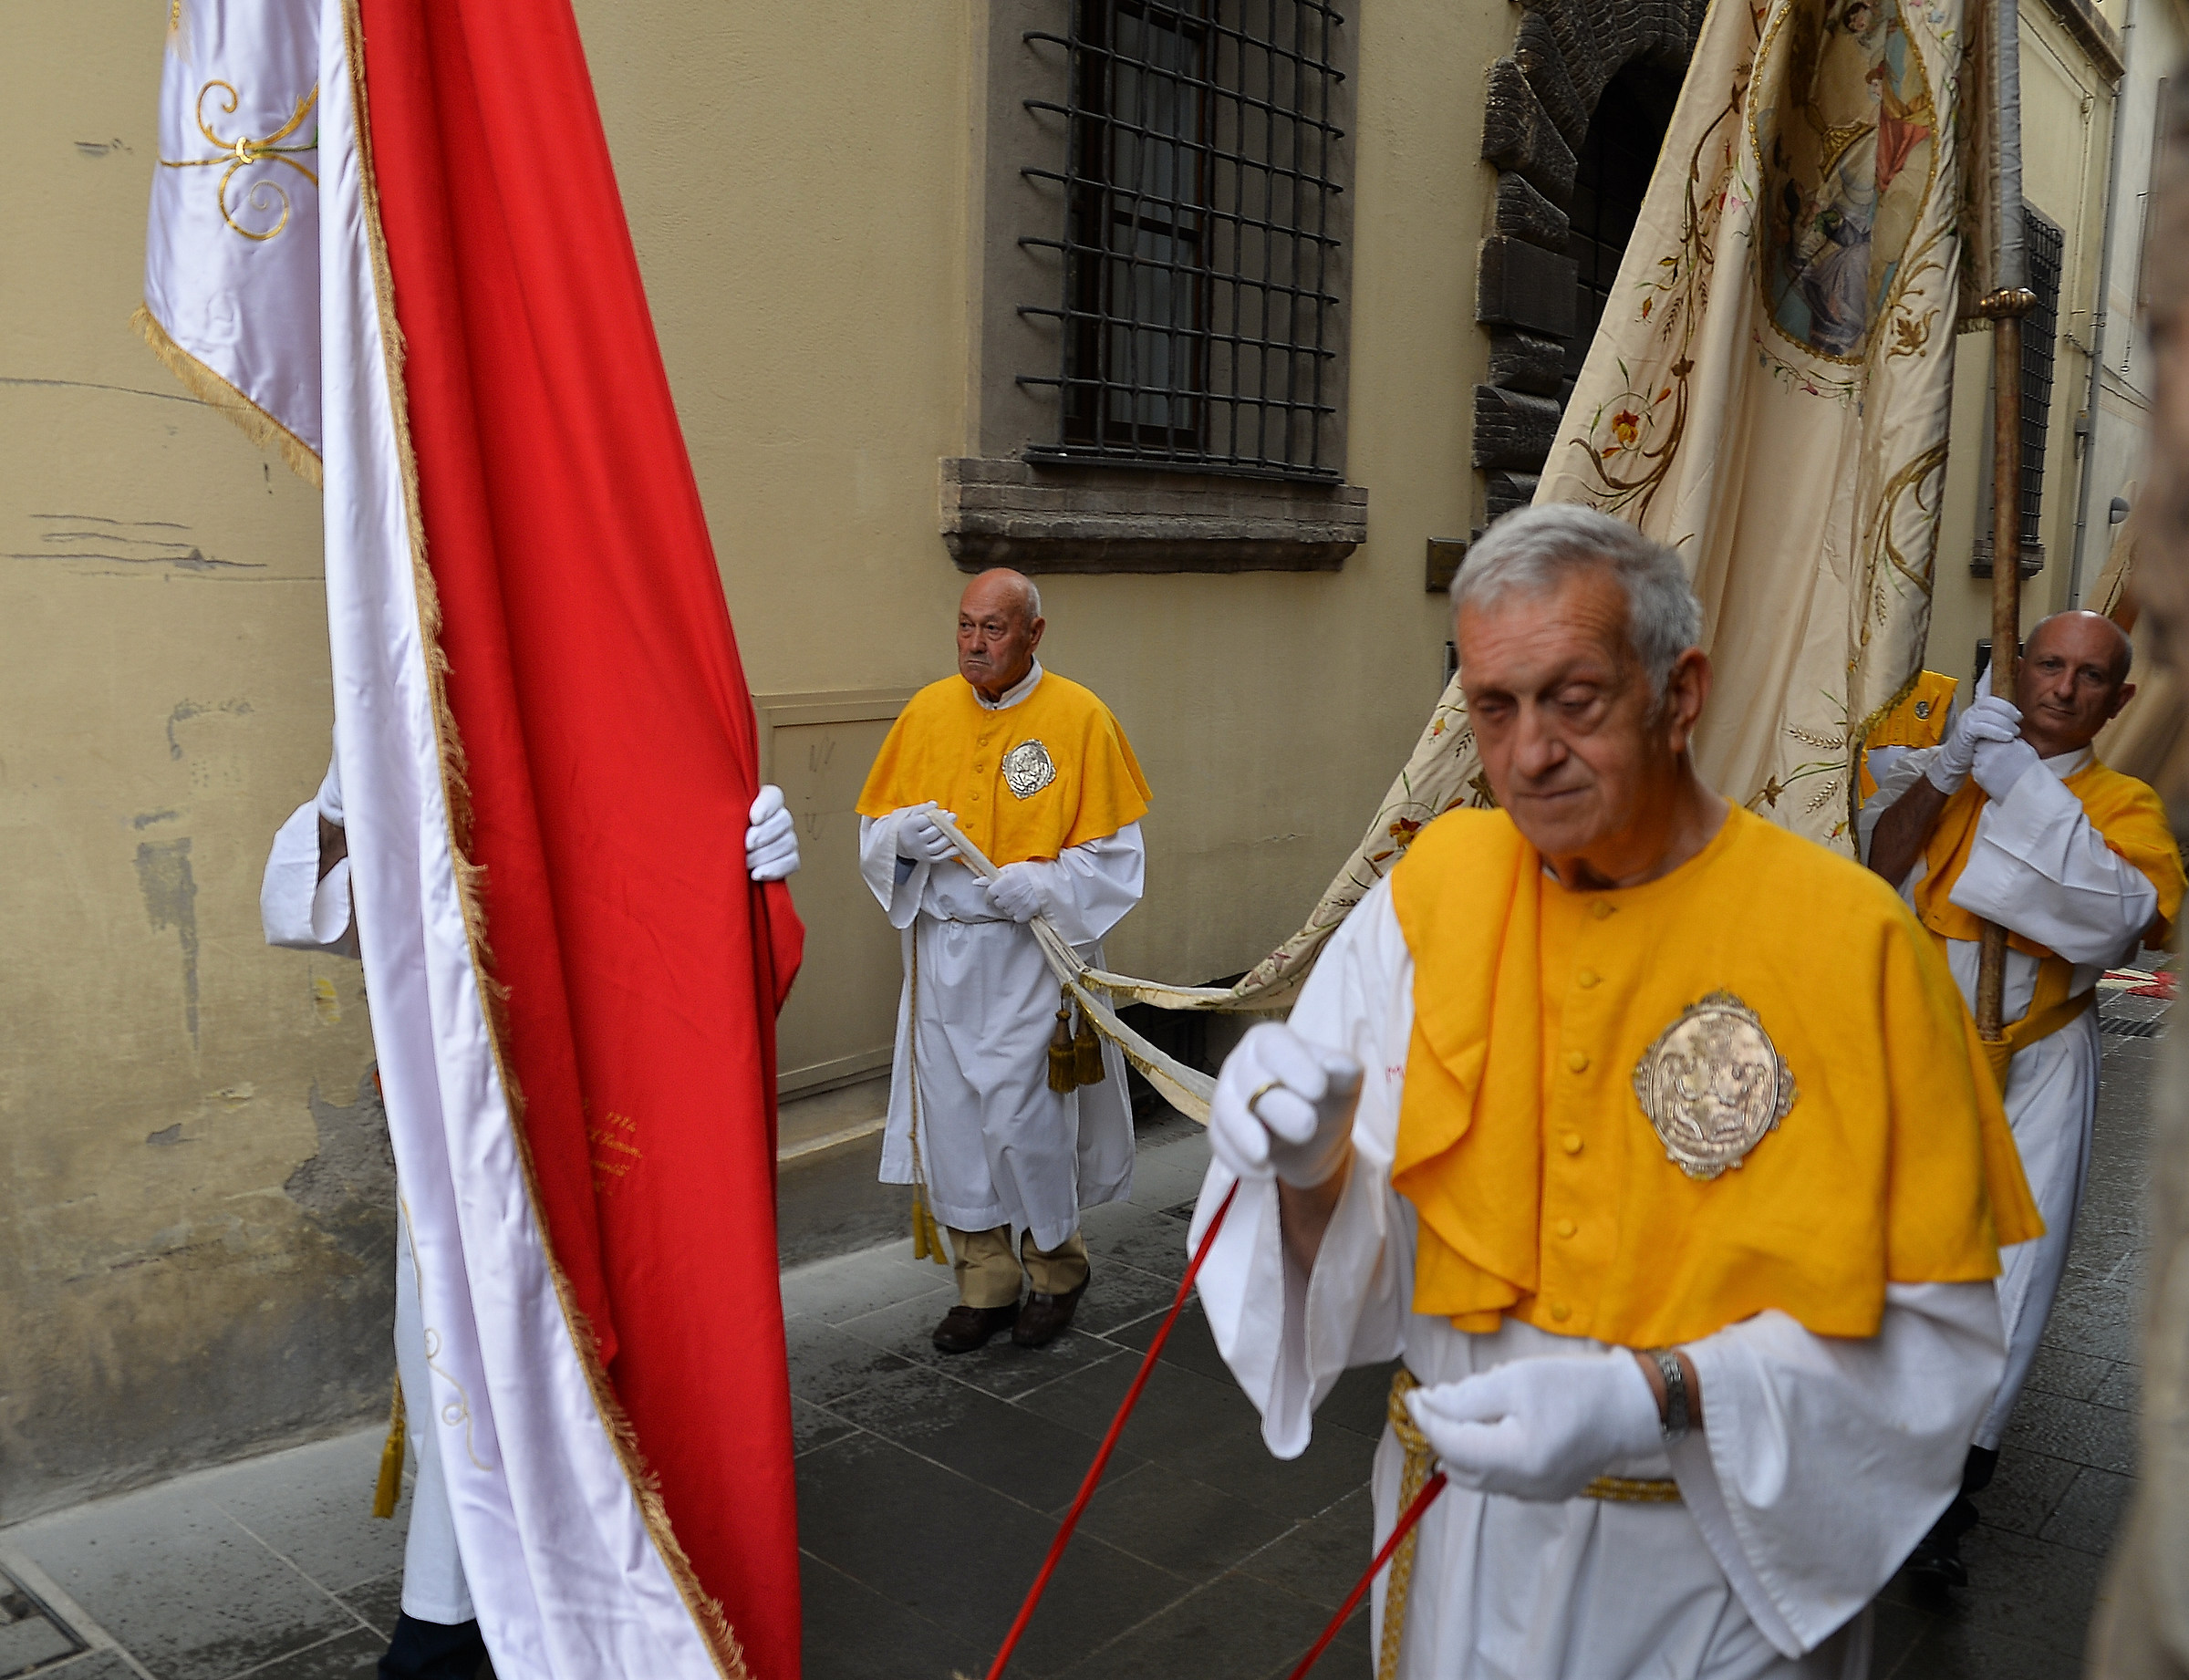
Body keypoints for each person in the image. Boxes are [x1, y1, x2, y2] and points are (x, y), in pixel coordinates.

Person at [1190, 504, 2039, 1678]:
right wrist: (1307, 1173)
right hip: (1456, 1544)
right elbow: (1345, 1283)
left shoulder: (1854, 947)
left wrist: (1658, 1398)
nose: (1528, 752)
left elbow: (1937, 1345)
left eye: (1572, 699)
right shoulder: (1423, 903)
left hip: (1712, 1568)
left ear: (1679, 692)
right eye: (1494, 706)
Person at [262, 738, 800, 1680]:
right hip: (470, 1118)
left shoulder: (624, 697)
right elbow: (333, 917)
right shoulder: (420, 701)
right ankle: (447, 1623)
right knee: (461, 1372)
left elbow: (683, 946)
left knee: (617, 1372)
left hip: (619, 1120)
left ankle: (604, 1609)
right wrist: (350, 801)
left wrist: (740, 885)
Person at [1862, 611, 2184, 1585]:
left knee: (2006, 1288)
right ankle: (1846, 1470)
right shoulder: (1944, 763)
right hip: (1913, 1052)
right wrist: (1954, 770)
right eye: (2046, 662)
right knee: (1875, 1263)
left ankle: (1941, 1514)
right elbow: (1879, 867)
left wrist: (2029, 795)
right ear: (2013, 665)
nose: (2062, 686)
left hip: (2038, 1062)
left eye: (2091, 676)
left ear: (2118, 700)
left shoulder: (2124, 802)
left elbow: (2119, 923)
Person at [856, 568, 1151, 1353]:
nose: (974, 645)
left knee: (1026, 1122)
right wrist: (899, 846)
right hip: (942, 957)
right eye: (964, 626)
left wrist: (1048, 882)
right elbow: (873, 835)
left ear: (1033, 634)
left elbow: (1118, 859)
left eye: (993, 629)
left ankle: (1057, 1270)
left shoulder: (1080, 718)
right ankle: (982, 1286)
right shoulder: (925, 712)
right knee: (953, 1121)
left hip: (1027, 959)